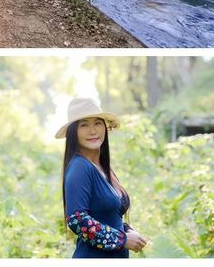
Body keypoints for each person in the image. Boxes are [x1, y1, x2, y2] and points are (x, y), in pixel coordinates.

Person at [58, 98, 147, 258]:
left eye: (98, 123)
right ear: (73, 132)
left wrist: (126, 230)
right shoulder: (80, 167)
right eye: (84, 125)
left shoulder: (103, 167)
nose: (93, 131)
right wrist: (122, 239)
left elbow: (106, 215)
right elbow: (77, 220)